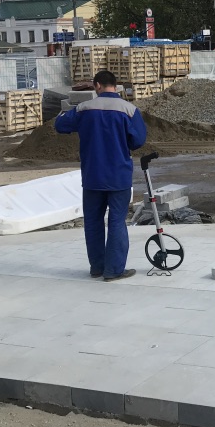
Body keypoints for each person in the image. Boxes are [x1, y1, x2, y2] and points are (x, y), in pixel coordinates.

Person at [55, 70, 147, 281]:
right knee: (116, 221)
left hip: (92, 176)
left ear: (97, 85)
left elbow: (60, 125)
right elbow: (138, 140)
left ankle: (97, 267)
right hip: (118, 176)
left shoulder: (84, 108)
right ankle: (113, 270)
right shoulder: (129, 110)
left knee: (93, 221)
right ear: (116, 86)